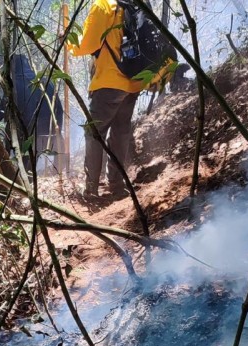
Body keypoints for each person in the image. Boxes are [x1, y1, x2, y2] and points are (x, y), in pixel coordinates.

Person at [68, 0, 166, 201]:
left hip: (109, 82)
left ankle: (91, 189)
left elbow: (87, 43)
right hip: (134, 82)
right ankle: (117, 186)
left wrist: (68, 41)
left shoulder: (104, 4)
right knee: (120, 133)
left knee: (94, 133)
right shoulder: (136, 3)